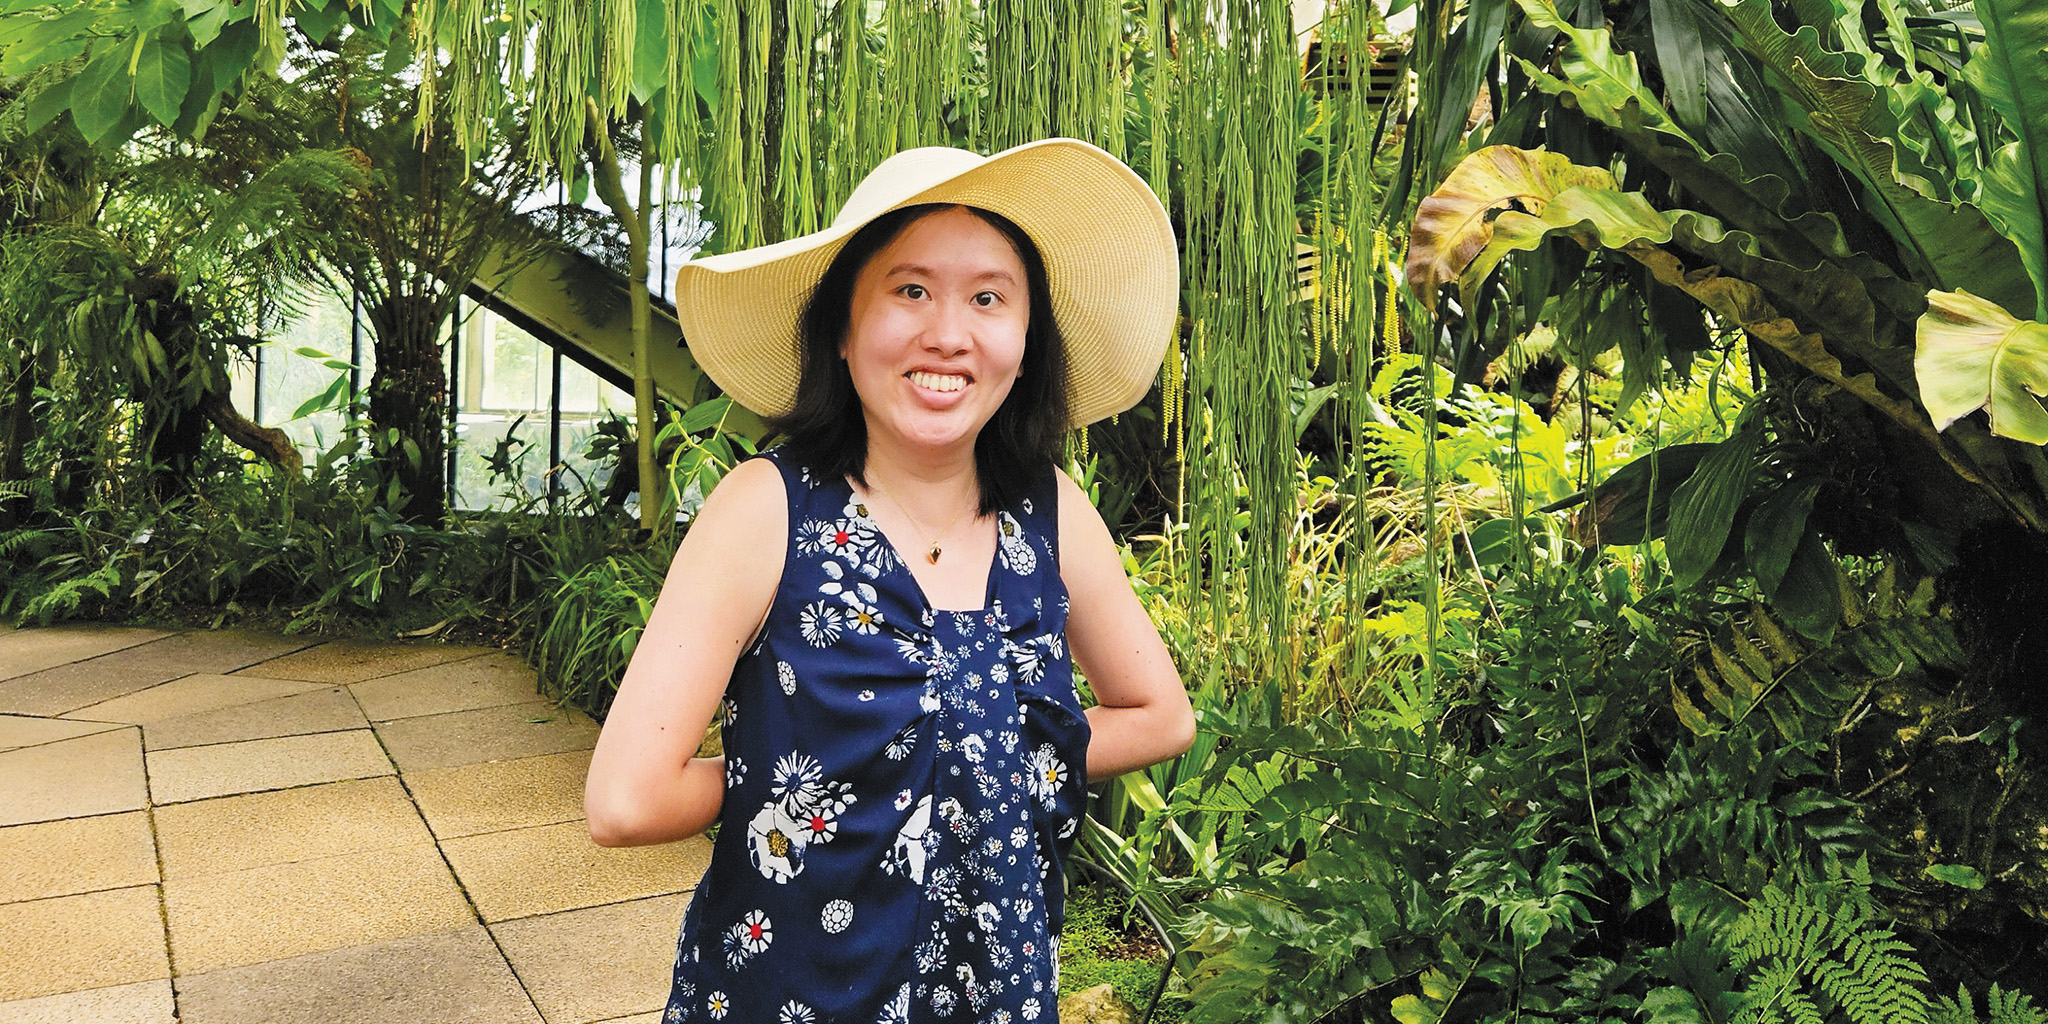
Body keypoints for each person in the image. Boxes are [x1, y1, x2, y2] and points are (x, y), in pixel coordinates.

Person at [583, 138, 1196, 1024]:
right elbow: (626, 799)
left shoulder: (1048, 513)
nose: (948, 333)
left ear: (1025, 345)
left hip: (999, 993)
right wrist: (806, 779)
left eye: (988, 298)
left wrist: (980, 751)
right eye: (910, 291)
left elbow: (1161, 715)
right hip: (791, 995)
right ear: (843, 328)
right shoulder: (767, 510)